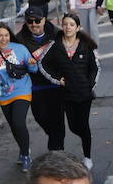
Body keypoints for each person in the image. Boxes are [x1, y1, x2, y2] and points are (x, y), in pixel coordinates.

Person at [39, 13, 100, 170]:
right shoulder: (55, 45)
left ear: (78, 27)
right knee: (73, 126)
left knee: (84, 125)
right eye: (65, 24)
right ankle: (84, 138)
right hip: (66, 95)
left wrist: (90, 85)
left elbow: (95, 67)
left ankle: (88, 157)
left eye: (72, 24)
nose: (68, 27)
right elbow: (43, 64)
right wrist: (57, 79)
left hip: (84, 94)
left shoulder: (86, 46)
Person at [0, 22, 41, 170]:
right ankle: (22, 150)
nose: (4, 39)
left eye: (6, 35)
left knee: (19, 122)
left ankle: (26, 155)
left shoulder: (20, 49)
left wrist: (33, 64)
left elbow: (32, 68)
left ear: (10, 36)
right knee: (14, 126)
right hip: (3, 94)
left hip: (22, 89)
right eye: (0, 35)